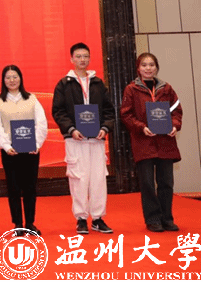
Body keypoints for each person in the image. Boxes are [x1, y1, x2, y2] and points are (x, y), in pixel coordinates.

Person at [51, 42, 115, 235]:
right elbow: (58, 111)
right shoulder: (64, 84)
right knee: (78, 179)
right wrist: (71, 129)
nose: (82, 59)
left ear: (90, 58)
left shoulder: (98, 84)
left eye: (85, 56)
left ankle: (98, 218)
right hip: (75, 140)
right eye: (78, 56)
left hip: (96, 140)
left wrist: (104, 128)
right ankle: (80, 218)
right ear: (72, 59)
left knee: (98, 179)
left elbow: (109, 110)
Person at [120, 52, 183, 232]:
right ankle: (153, 219)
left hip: (165, 142)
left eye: (151, 65)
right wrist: (141, 128)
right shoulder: (131, 89)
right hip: (144, 142)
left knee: (166, 183)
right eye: (144, 65)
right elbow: (126, 115)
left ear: (156, 67)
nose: (148, 68)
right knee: (147, 183)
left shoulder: (167, 88)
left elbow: (176, 111)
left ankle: (167, 218)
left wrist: (174, 125)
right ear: (138, 69)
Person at [0, 65, 48, 236]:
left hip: (30, 152)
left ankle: (30, 223)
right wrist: (6, 146)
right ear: (3, 80)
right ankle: (17, 224)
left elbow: (41, 123)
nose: (12, 80)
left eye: (15, 77)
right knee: (13, 189)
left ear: (21, 78)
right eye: (8, 77)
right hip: (10, 152)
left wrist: (36, 144)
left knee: (30, 188)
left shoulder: (32, 99)